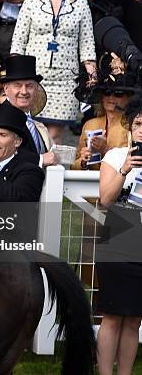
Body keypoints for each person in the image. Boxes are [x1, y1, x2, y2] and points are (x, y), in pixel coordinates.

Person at [10, 0, 97, 143]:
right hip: (34, 78)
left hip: (66, 80)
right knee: (30, 132)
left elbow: (87, 43)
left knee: (55, 135)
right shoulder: (31, 1)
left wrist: (92, 75)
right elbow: (18, 41)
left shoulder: (81, 4)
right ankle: (34, 170)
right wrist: (15, 77)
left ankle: (51, 173)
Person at [96, 95, 142, 375]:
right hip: (118, 238)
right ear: (130, 126)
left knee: (135, 318)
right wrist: (125, 169)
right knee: (112, 316)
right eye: (138, 123)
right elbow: (105, 199)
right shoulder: (114, 156)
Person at [0, 55, 58, 168]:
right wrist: (40, 159)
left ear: (36, 89)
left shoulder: (35, 124)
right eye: (18, 85)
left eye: (29, 86)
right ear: (6, 89)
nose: (24, 91)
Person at [72, 69, 133, 170]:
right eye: (107, 92)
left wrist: (106, 150)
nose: (111, 97)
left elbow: (135, 165)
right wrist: (83, 161)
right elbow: (73, 167)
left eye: (118, 93)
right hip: (90, 183)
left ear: (128, 98)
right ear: (101, 96)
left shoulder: (134, 126)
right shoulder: (90, 125)